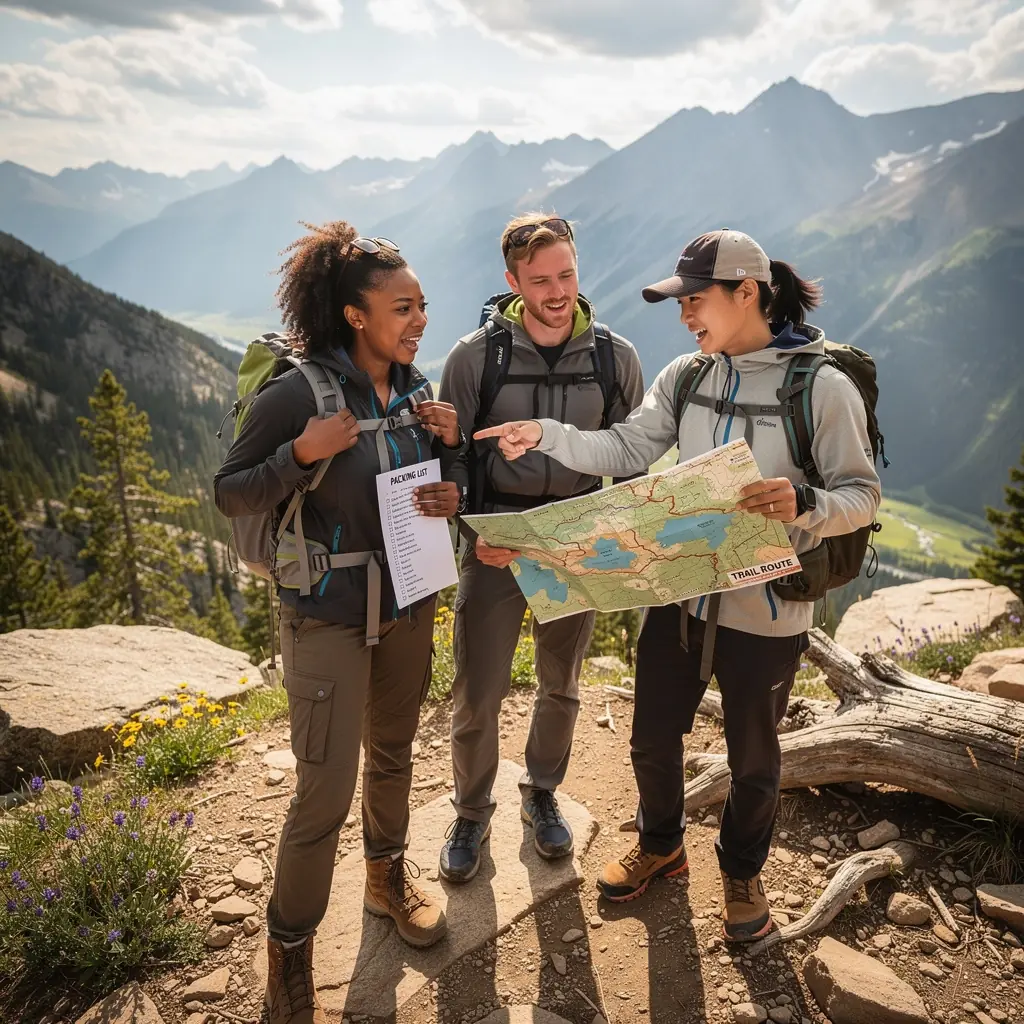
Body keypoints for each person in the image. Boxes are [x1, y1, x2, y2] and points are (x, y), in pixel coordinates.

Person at [474, 228, 881, 941]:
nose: (685, 315)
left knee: (755, 757)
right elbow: (628, 446)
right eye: (680, 302)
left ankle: (742, 872)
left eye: (695, 300)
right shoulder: (689, 376)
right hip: (681, 594)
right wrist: (548, 433)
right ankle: (662, 846)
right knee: (651, 738)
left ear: (746, 292)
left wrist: (807, 503)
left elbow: (863, 494)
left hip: (769, 609)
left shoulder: (822, 387)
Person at [215, 221, 467, 1024]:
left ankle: (386, 877)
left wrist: (450, 482)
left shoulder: (415, 387)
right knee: (322, 792)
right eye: (403, 306)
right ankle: (289, 953)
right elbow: (231, 491)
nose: (419, 318)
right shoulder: (300, 393)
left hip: (409, 603)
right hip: (324, 616)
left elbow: (422, 486)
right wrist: (300, 454)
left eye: (423, 304)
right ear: (355, 315)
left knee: (392, 754)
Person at [437, 213, 644, 882]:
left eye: (567, 274)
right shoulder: (475, 357)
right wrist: (477, 534)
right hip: (498, 541)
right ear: (512, 282)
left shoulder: (616, 359)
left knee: (562, 684)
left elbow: (634, 457)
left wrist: (621, 538)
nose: (557, 292)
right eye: (540, 280)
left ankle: (542, 793)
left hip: (577, 540)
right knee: (478, 689)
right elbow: (451, 459)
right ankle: (471, 811)